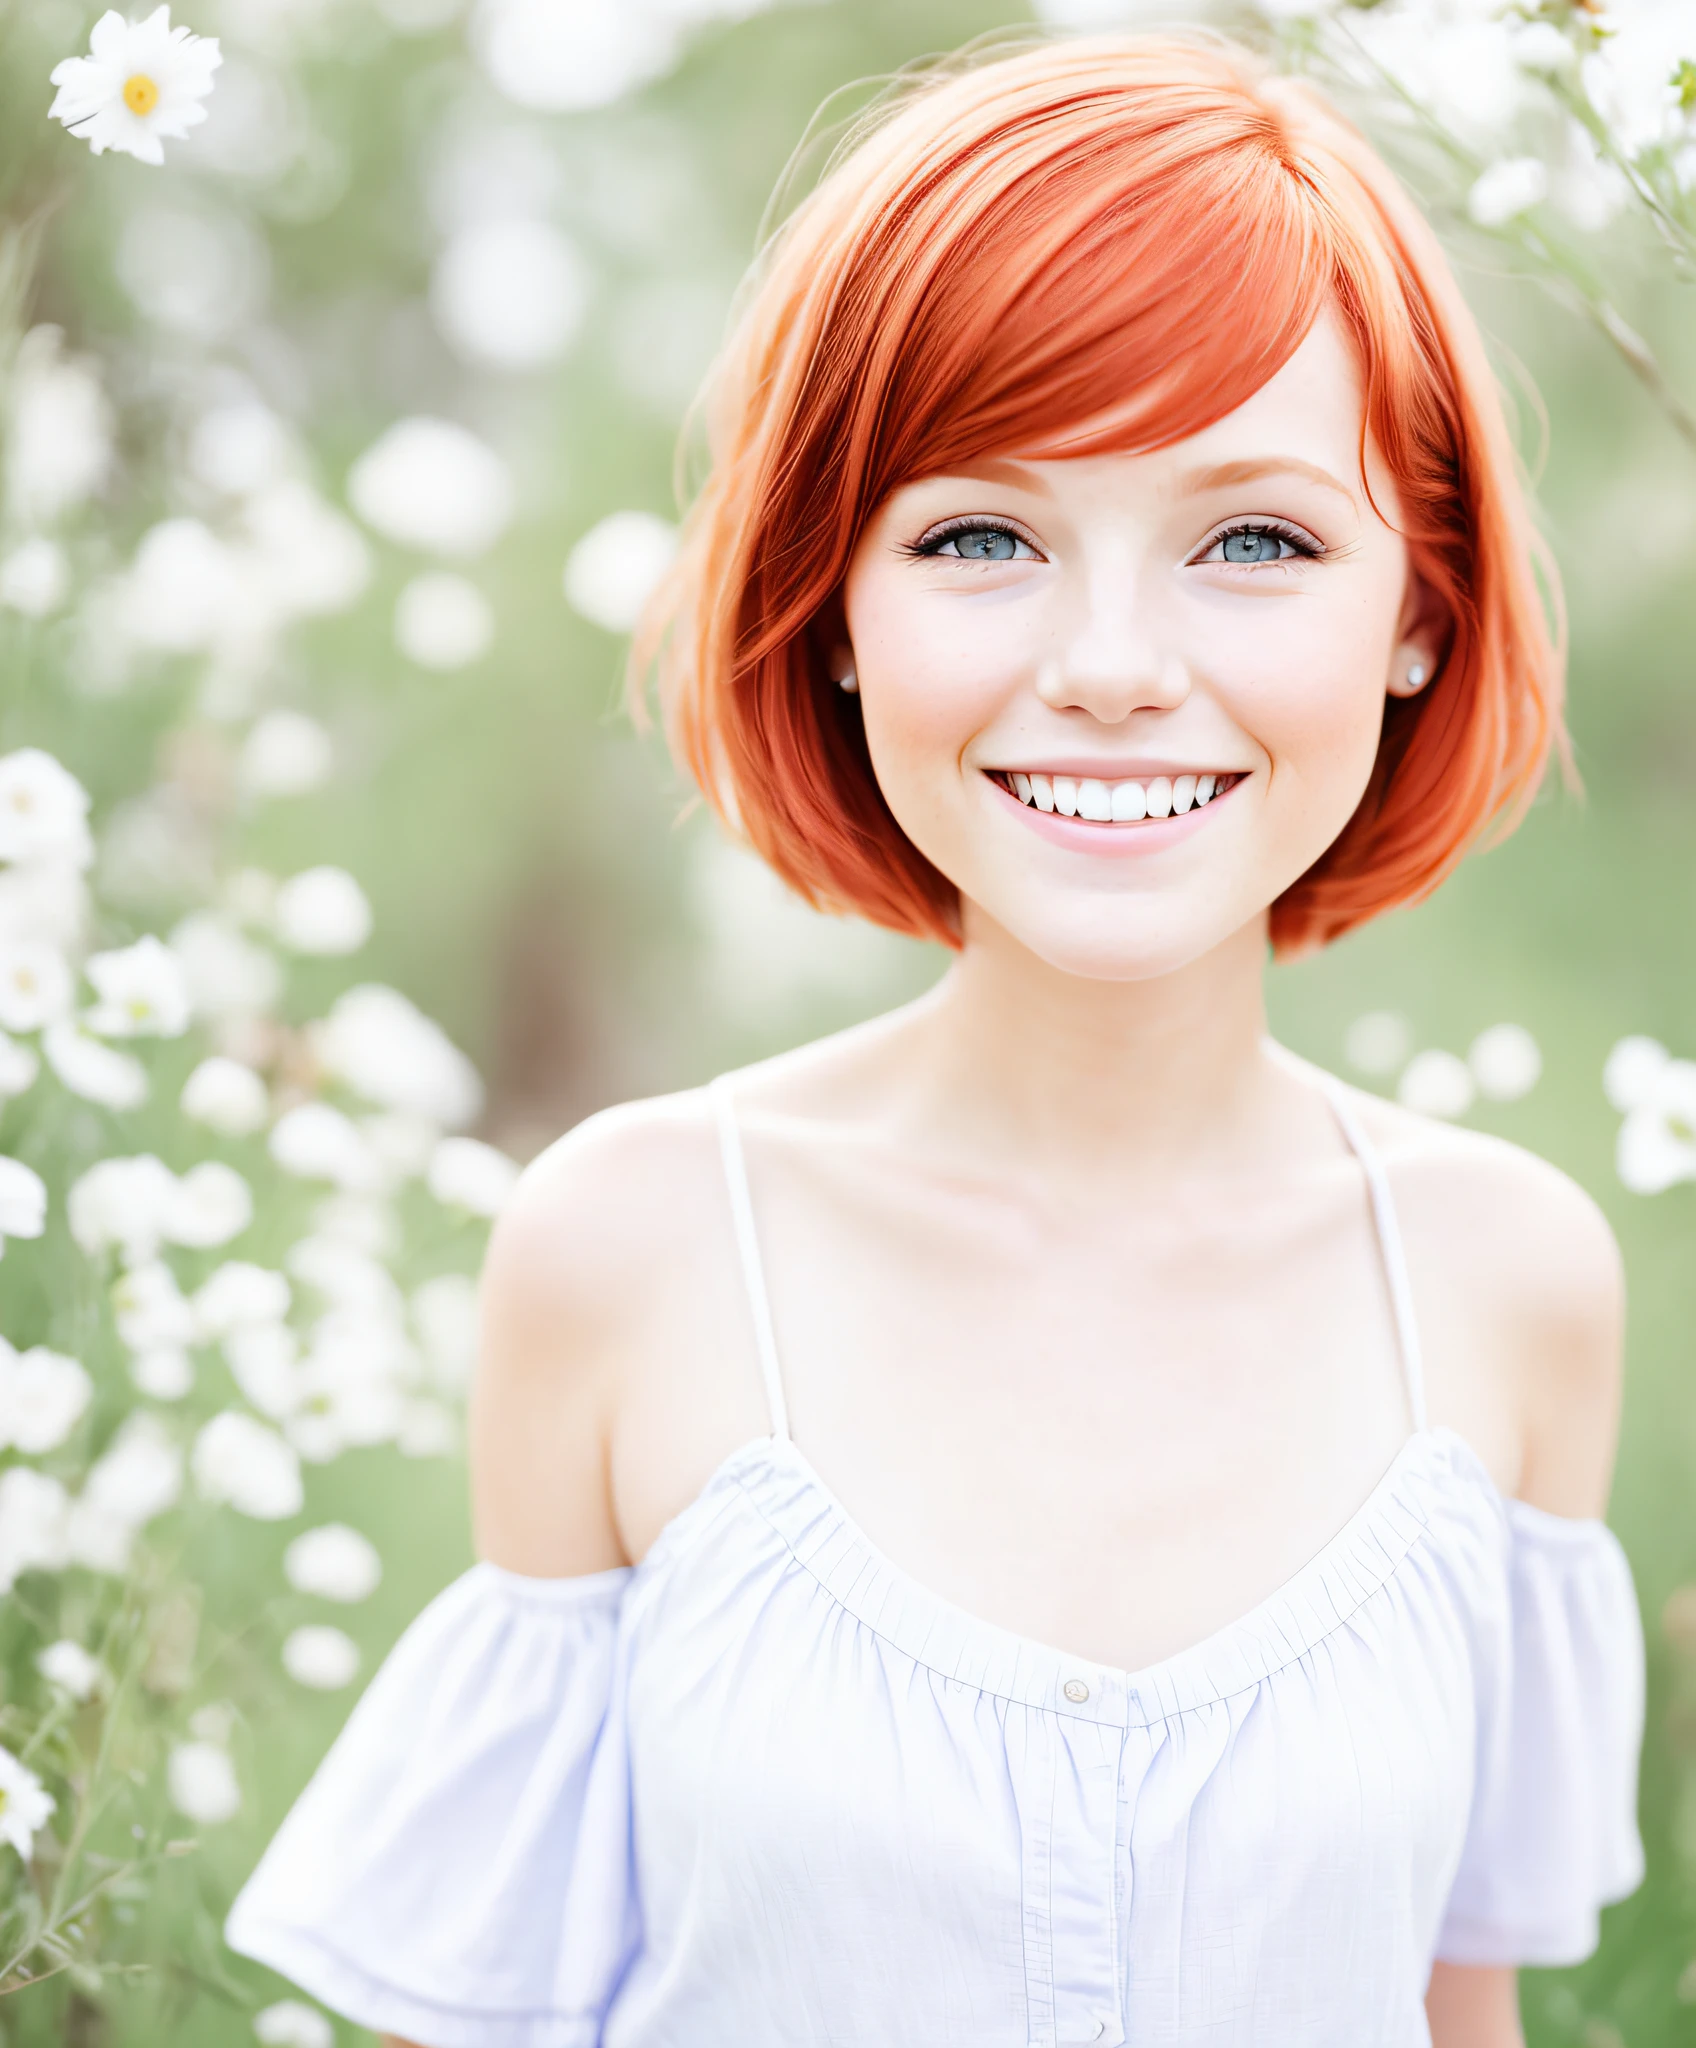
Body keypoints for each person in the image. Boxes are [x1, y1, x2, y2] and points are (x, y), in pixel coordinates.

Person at [225, 31, 1645, 2048]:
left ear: (1415, 605)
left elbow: (1455, 2010)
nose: (1111, 669)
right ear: (833, 602)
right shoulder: (623, 1251)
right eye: (978, 535)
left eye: (1254, 540)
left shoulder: (1508, 1285)